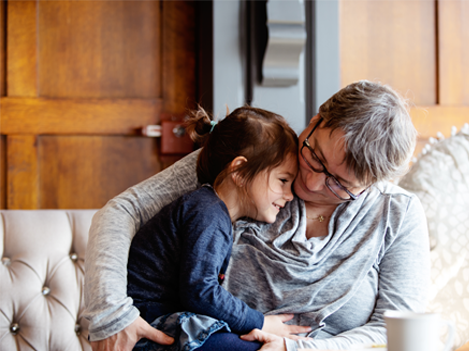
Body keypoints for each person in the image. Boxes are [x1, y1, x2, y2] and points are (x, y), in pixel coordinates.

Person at [84, 80, 430, 351]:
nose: (309, 182)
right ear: (315, 120)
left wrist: (298, 349)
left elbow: (397, 333)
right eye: (315, 157)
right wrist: (112, 314)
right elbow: (122, 210)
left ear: (371, 185)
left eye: (339, 183)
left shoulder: (396, 214)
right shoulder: (257, 162)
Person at [126, 106, 307, 350]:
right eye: (283, 180)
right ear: (240, 171)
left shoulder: (212, 211)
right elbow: (200, 292)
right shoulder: (207, 213)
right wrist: (260, 322)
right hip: (149, 327)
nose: (289, 195)